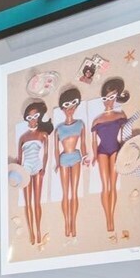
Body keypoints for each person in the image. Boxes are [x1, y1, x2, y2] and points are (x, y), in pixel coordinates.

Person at [91, 77, 132, 241]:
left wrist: (127, 150)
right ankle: (107, 216)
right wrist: (94, 156)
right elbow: (94, 141)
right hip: (101, 151)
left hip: (115, 149)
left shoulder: (120, 115)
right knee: (105, 184)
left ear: (116, 97)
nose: (109, 101)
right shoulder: (97, 120)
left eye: (112, 97)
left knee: (113, 185)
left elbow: (125, 134)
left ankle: (111, 218)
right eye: (106, 98)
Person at [53, 86, 91, 243]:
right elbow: (55, 149)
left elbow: (83, 144)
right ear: (62, 108)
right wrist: (56, 163)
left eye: (73, 106)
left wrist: (85, 157)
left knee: (74, 192)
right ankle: (66, 224)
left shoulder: (80, 124)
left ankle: (73, 224)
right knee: (65, 192)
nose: (70, 109)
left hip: (75, 157)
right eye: (67, 106)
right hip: (63, 159)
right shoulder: (58, 129)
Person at [15, 100, 54, 249]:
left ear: (39, 117)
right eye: (29, 117)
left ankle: (38, 230)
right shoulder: (22, 138)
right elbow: (19, 159)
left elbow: (46, 154)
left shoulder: (43, 135)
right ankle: (31, 231)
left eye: (35, 116)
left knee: (36, 201)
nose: (32, 120)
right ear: (26, 119)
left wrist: (43, 168)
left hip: (37, 167)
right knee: (28, 202)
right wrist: (18, 174)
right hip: (25, 168)